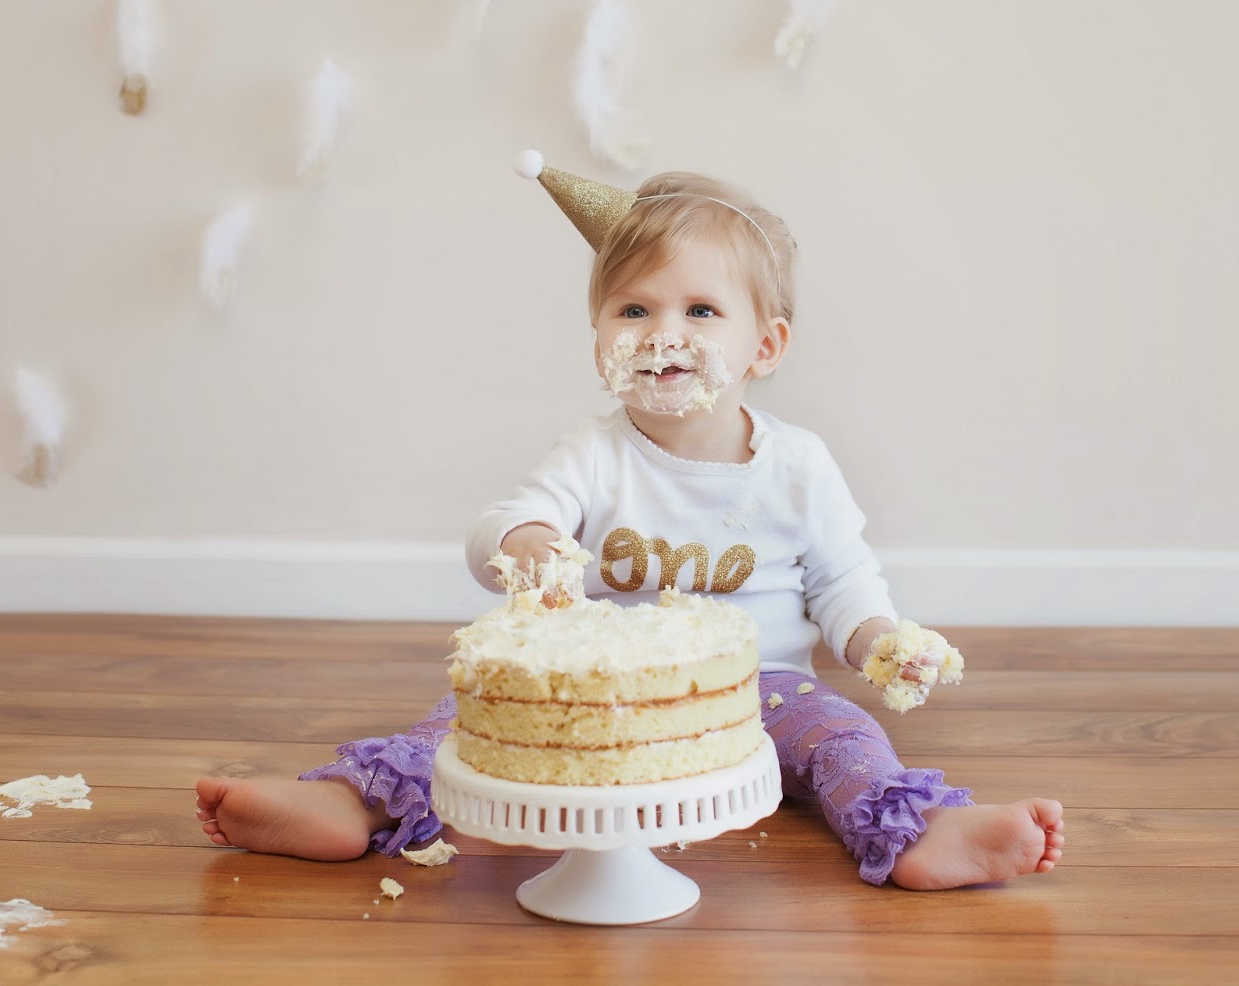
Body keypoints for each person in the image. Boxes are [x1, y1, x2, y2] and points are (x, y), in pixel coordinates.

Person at [194, 153, 1064, 888]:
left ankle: (915, 832)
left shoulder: (798, 467)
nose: (662, 332)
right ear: (600, 339)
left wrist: (878, 638)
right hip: (589, 690)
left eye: (701, 310)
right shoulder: (596, 454)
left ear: (765, 346)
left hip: (757, 691)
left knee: (845, 737)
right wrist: (527, 544)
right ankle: (351, 801)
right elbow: (505, 521)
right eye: (634, 309)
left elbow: (842, 582)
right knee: (455, 724)